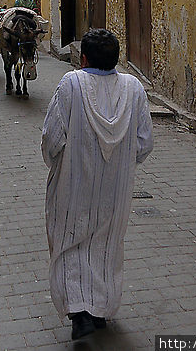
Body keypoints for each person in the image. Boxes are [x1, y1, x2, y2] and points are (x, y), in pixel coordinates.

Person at [41, 28, 153, 340]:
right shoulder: (134, 88)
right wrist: (122, 165)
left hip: (72, 184)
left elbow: (52, 137)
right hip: (116, 189)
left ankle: (79, 312)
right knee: (106, 245)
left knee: (70, 241)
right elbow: (144, 143)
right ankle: (100, 308)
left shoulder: (71, 84)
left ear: (84, 58)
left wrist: (57, 165)